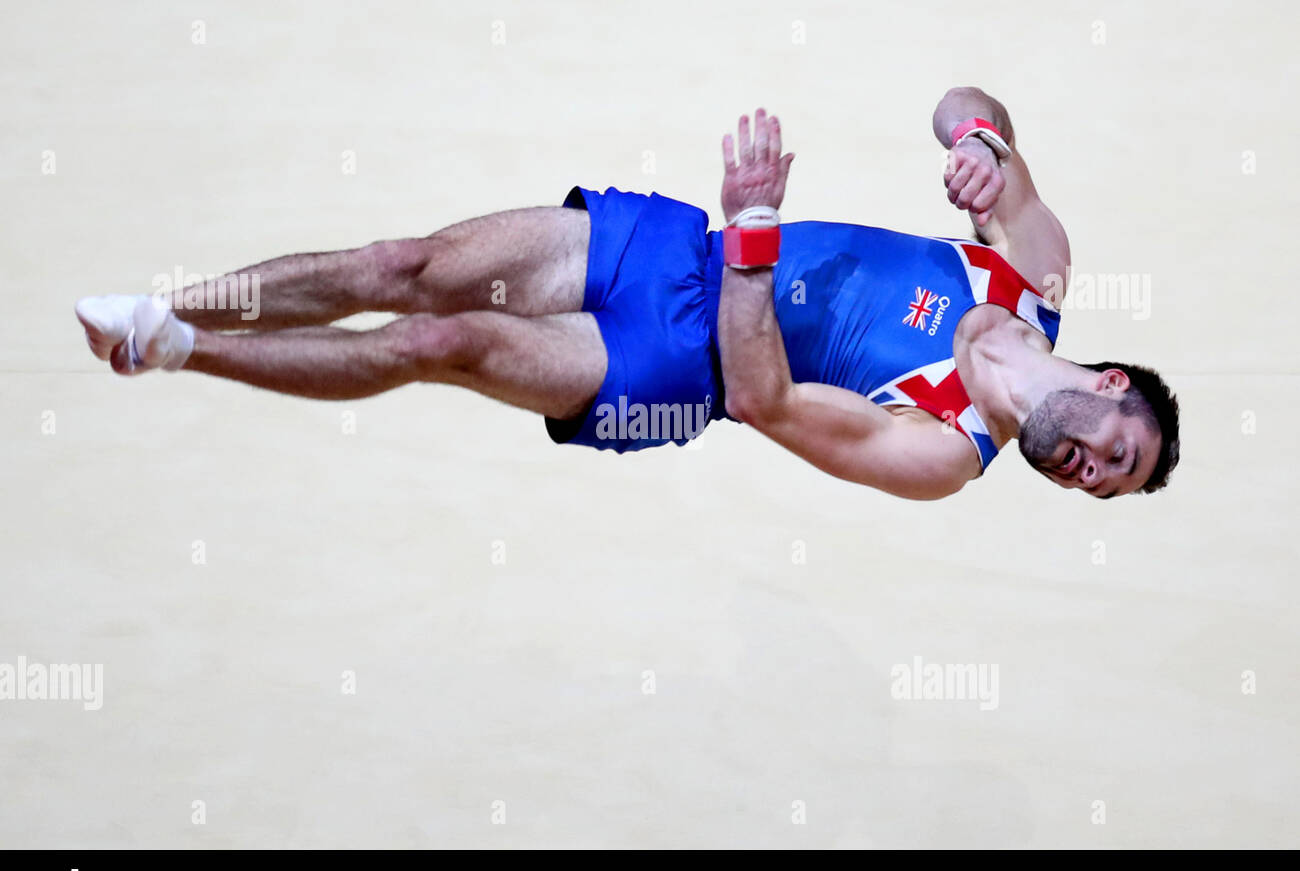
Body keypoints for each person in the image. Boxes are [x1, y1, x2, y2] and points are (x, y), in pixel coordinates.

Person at [75, 87, 1178, 501]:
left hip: (673, 370)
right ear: (1113, 385)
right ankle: (173, 299)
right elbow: (958, 101)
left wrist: (753, 238)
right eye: (1115, 455)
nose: (1088, 476)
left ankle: (171, 347)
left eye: (1099, 489)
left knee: (437, 338)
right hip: (673, 251)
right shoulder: (1036, 270)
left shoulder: (943, 455)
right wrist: (982, 145)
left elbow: (763, 401)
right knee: (397, 264)